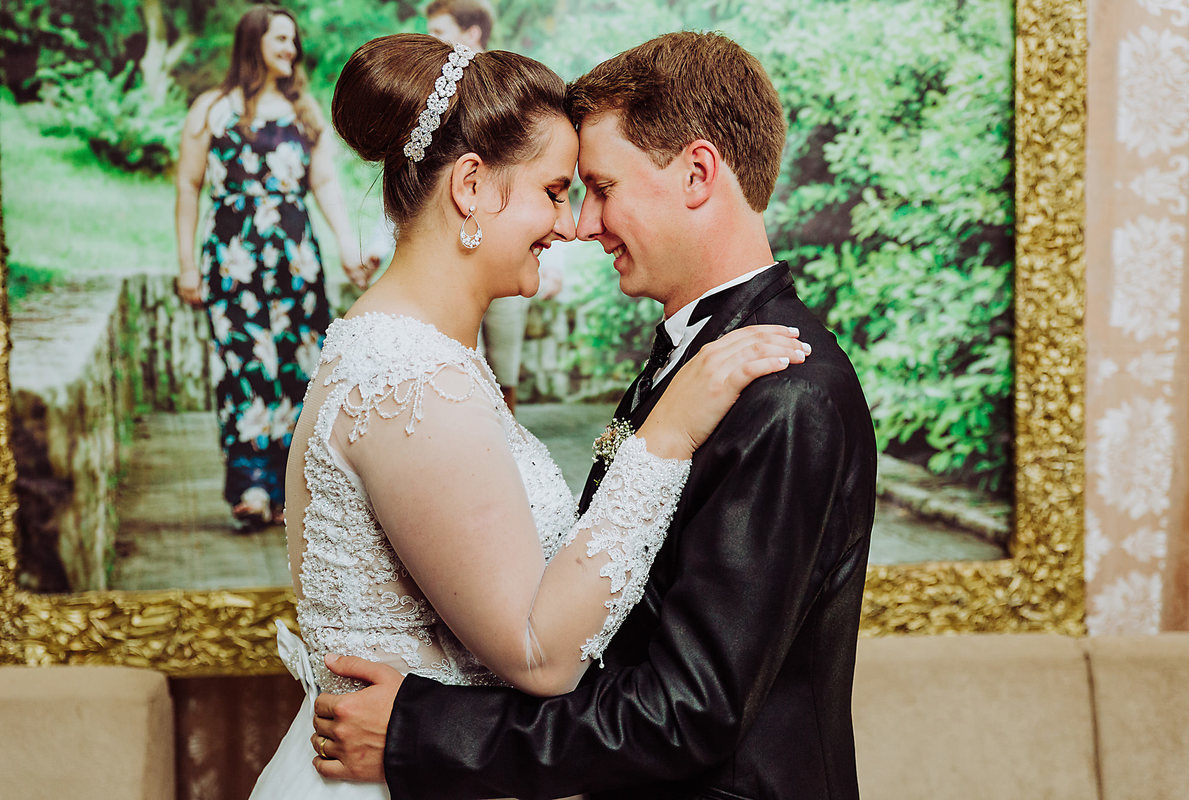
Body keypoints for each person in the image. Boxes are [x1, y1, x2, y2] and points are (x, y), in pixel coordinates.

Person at [313, 31, 877, 800]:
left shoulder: (785, 394)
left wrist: (423, 731)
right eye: (565, 191)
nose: (581, 223)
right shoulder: (687, 363)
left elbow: (689, 711)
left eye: (601, 187)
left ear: (697, 173)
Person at [174, 4, 372, 531]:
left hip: (296, 259)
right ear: (253, 42)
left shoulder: (304, 109)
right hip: (232, 261)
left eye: (293, 40)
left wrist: (348, 249)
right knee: (242, 367)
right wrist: (186, 267)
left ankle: (291, 488)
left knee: (298, 366)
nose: (291, 49)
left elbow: (325, 185)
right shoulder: (211, 110)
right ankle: (250, 486)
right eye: (280, 38)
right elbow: (187, 188)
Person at [365, 0, 563, 413]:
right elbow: (416, 192)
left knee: (500, 371)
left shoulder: (515, 96)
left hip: (497, 260)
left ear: (472, 34)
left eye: (439, 31)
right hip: (445, 268)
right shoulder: (421, 377)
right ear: (469, 183)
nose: (429, 43)